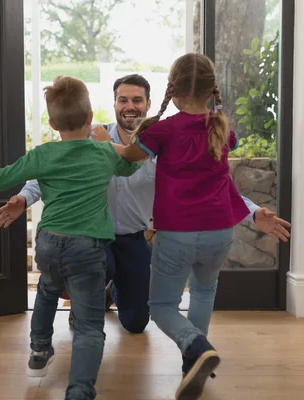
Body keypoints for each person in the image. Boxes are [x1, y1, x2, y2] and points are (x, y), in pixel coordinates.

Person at [0, 74, 291, 335]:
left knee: (136, 323)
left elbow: (213, 184)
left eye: (137, 100)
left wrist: (253, 213)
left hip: (133, 238)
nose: (129, 106)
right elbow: (46, 173)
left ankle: (113, 290)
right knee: (90, 267)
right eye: (122, 100)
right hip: (94, 238)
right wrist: (23, 199)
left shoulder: (163, 142)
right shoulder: (89, 136)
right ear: (114, 104)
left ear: (149, 104)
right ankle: (89, 297)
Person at [112, 54, 291, 399]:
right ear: (211, 91)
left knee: (162, 306)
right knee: (204, 290)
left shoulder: (163, 130)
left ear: (172, 90)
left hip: (177, 232)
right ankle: (191, 362)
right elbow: (228, 156)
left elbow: (128, 155)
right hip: (219, 233)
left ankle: (195, 347)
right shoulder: (221, 128)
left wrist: (103, 145)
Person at [0, 76, 141, 400]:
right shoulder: (102, 153)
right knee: (90, 325)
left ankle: (38, 351)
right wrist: (111, 144)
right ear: (91, 117)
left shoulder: (43, 155)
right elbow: (131, 168)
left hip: (49, 242)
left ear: (51, 123)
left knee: (47, 292)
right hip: (87, 246)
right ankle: (79, 391)